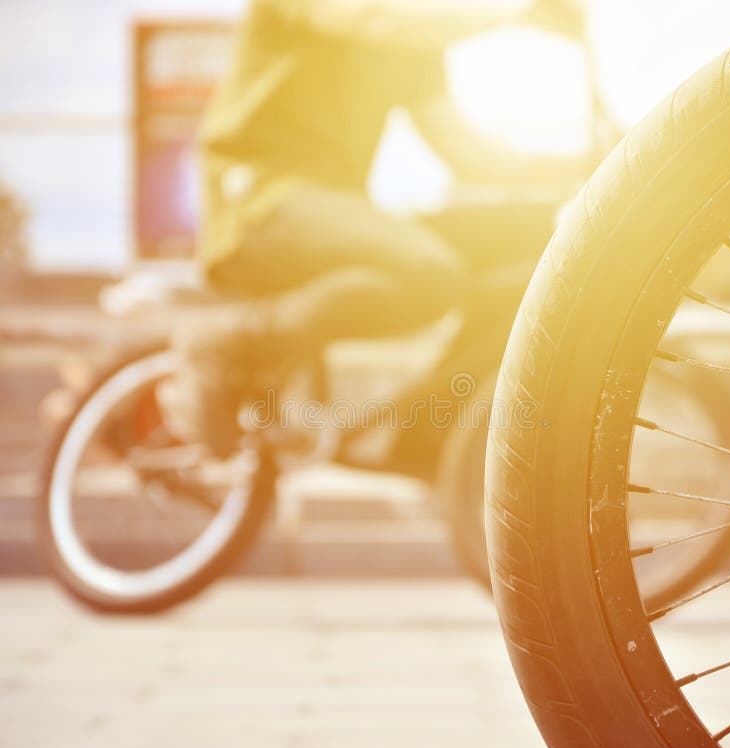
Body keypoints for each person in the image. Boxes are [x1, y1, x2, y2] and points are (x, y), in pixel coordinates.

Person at [167, 0, 585, 457]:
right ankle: (229, 341)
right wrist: (521, 11)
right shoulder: (379, 20)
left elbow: (463, 152)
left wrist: (584, 166)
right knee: (427, 271)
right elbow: (376, 18)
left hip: (334, 212)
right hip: (260, 198)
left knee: (514, 237)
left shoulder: (412, 43)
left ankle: (435, 435)